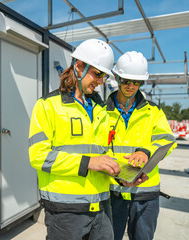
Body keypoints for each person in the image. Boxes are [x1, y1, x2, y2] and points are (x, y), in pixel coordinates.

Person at [29, 39, 123, 240]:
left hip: (102, 206)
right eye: (97, 74)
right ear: (79, 66)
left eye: (104, 76)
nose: (100, 81)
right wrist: (88, 162)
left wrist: (120, 173)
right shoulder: (47, 106)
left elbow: (104, 153)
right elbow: (39, 156)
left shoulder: (102, 109)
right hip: (66, 212)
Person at [107, 51, 177, 240]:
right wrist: (117, 175)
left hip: (145, 194)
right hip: (113, 192)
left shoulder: (153, 110)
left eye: (137, 82)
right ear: (116, 77)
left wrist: (147, 152)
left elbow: (167, 140)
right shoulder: (102, 111)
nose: (131, 86)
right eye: (126, 80)